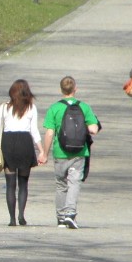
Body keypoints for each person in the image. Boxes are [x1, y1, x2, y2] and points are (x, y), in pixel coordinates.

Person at [40, 76, 100, 229]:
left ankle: (60, 217)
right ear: (75, 89)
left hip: (60, 152)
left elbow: (49, 133)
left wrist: (44, 153)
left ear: (61, 90)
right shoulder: (84, 107)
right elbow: (93, 129)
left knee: (61, 184)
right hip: (79, 152)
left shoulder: (54, 108)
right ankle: (70, 214)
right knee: (74, 183)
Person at [0, 79, 45, 226]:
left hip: (8, 143)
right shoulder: (31, 108)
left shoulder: (4, 107)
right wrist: (41, 150)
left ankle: (12, 219)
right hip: (25, 143)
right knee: (23, 183)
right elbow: (34, 131)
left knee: (10, 184)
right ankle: (21, 215)